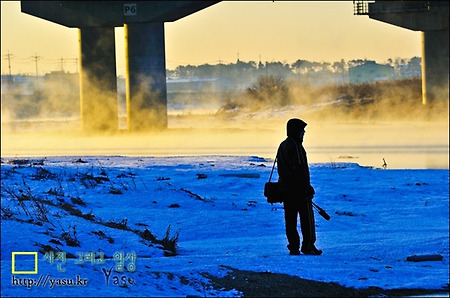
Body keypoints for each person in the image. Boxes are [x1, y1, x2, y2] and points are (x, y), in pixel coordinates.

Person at [276, 118, 322, 255]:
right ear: (296, 131)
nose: (304, 133)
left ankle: (294, 246)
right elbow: (300, 169)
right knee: (307, 218)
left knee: (290, 220)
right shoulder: (295, 146)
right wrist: (307, 187)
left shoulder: (283, 145)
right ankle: (308, 245)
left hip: (286, 189)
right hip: (298, 191)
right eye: (302, 130)